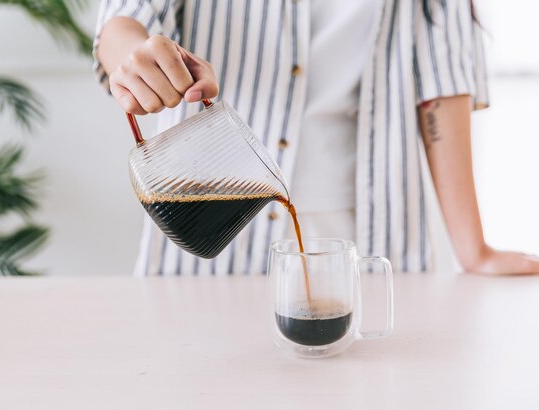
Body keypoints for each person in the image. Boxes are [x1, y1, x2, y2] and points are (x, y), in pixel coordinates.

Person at [94, 0, 539, 276]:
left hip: (368, 231)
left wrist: (473, 249)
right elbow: (123, 21)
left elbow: (441, 83)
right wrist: (136, 62)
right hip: (210, 219)